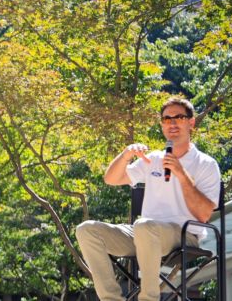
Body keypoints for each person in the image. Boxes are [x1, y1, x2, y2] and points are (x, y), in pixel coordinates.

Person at [76, 97, 221, 301]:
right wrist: (126, 154)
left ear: (191, 122)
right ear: (162, 124)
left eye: (178, 117)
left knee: (144, 226)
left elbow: (204, 214)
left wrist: (181, 174)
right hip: (143, 235)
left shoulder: (206, 164)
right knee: (86, 230)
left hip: (184, 234)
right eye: (166, 118)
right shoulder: (153, 159)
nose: (171, 123)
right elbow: (111, 179)